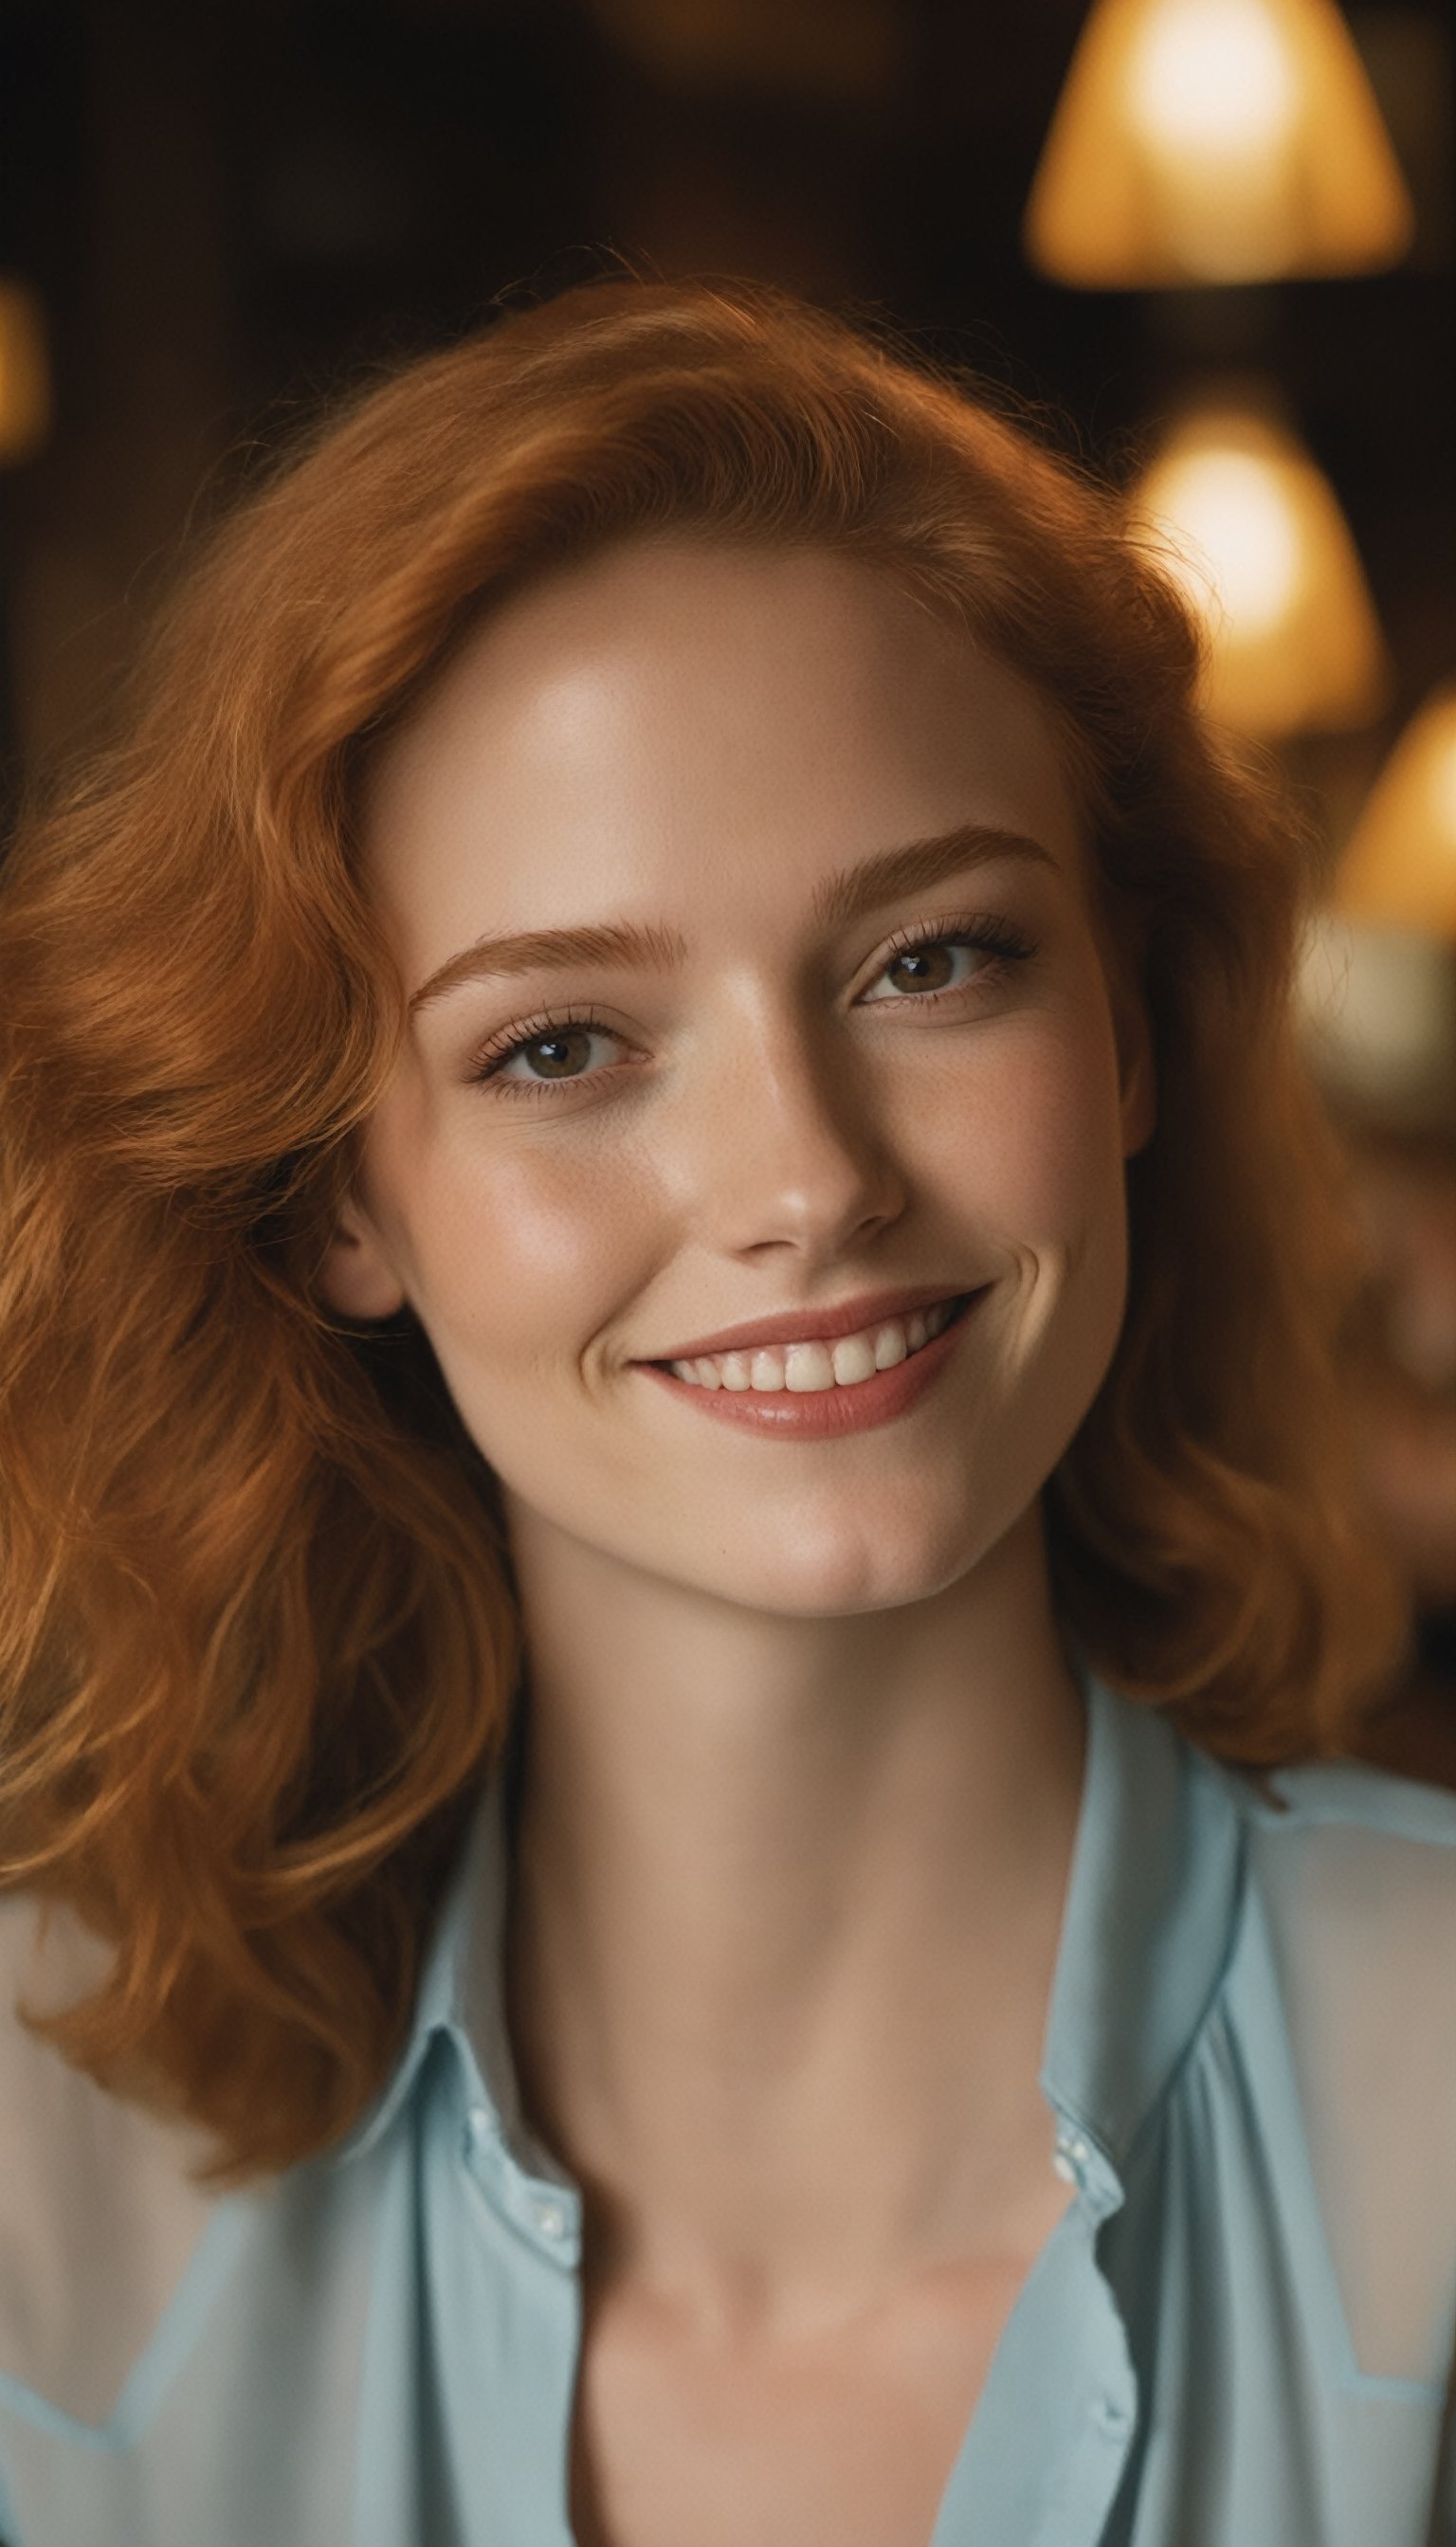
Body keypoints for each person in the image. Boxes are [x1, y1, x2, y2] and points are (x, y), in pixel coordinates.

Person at [0, 275, 1451, 2547]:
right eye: (559, 1045)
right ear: (334, 1200)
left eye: (933, 961)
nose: (805, 1185)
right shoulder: (36, 2187)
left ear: (1138, 1034)